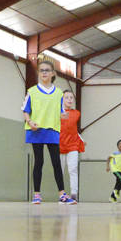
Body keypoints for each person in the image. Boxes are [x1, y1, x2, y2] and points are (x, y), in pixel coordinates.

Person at [22, 60, 76, 205]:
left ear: (53, 73)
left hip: (52, 131)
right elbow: (25, 111)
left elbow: (60, 111)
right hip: (36, 130)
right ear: (38, 73)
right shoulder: (32, 91)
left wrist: (62, 115)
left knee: (56, 163)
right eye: (41, 70)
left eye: (47, 70)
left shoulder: (59, 93)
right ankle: (37, 195)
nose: (44, 72)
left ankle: (62, 194)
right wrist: (29, 122)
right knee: (39, 162)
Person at [59, 90, 85, 202]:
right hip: (60, 145)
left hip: (73, 145)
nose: (69, 99)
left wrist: (81, 139)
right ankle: (62, 195)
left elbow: (73, 128)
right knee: (60, 171)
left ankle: (74, 194)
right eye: (67, 97)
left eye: (71, 97)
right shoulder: (56, 112)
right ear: (62, 100)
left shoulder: (76, 113)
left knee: (73, 169)